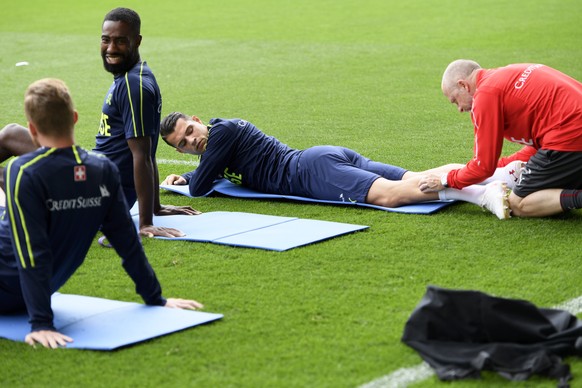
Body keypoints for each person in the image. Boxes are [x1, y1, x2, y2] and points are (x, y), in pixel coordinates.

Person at [0, 78, 203, 349]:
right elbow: (127, 242)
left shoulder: (23, 171)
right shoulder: (103, 169)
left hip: (12, 293)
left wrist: (41, 323)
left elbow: (31, 251)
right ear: (74, 118)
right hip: (26, 293)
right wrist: (156, 298)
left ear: (32, 129)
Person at [158, 112, 521, 219]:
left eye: (190, 131)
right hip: (322, 158)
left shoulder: (222, 132)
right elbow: (208, 172)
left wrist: (190, 179)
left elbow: (202, 186)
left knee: (390, 196)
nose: (192, 141)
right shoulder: (219, 140)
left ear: (197, 119)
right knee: (413, 176)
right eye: (183, 144)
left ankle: (479, 194)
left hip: (311, 172)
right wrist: (187, 173)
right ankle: (495, 174)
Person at [419, 59, 582, 218]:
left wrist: (445, 180)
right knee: (553, 191)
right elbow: (539, 145)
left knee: (519, 203)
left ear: (463, 85)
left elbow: (483, 167)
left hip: (571, 136)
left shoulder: (485, 95)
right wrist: (502, 165)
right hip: (571, 133)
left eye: (455, 100)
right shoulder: (508, 73)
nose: (460, 109)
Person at [94, 7, 199, 238]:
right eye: (106, 40)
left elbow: (142, 155)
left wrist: (145, 223)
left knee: (12, 135)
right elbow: (149, 150)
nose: (111, 48)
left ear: (137, 41)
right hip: (97, 182)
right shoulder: (137, 75)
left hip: (96, 192)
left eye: (120, 41)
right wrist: (155, 207)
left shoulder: (133, 85)